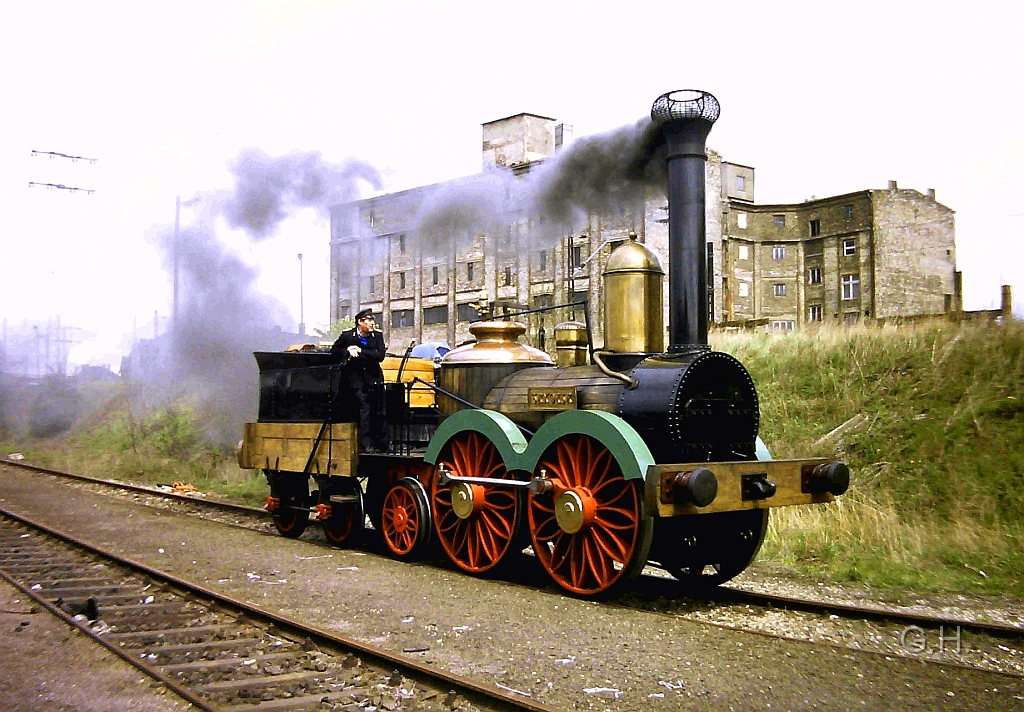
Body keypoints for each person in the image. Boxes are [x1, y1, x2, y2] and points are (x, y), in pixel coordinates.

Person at [331, 309, 388, 452]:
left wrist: (361, 351)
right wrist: (348, 351)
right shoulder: (348, 336)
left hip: (373, 379)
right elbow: (334, 351)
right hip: (355, 381)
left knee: (379, 412)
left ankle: (382, 444)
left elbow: (379, 355)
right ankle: (366, 444)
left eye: (372, 320)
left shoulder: (377, 336)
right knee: (365, 410)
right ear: (360, 322)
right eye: (368, 320)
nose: (372, 323)